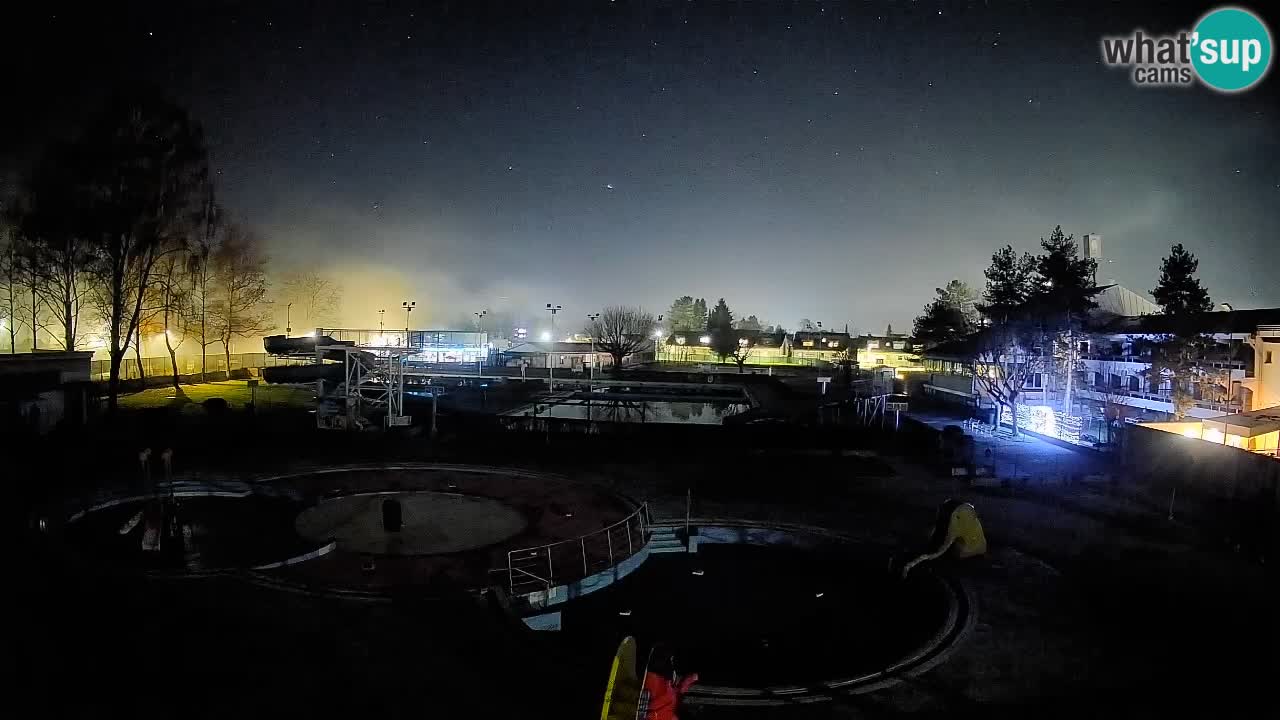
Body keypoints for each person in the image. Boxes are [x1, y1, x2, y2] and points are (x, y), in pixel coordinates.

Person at [639, 644, 698, 720]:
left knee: (661, 656)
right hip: (663, 680)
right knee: (666, 653)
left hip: (655, 682)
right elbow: (680, 690)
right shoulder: (675, 706)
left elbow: (650, 712)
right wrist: (691, 679)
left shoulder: (668, 715)